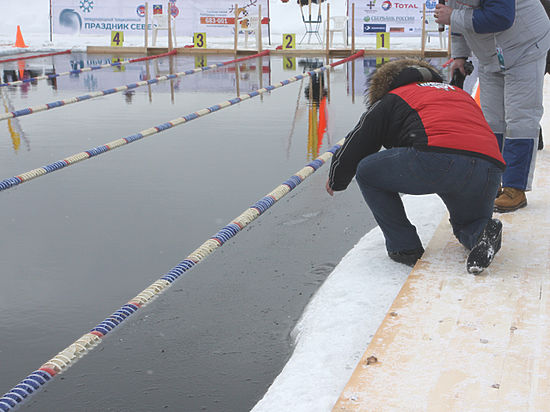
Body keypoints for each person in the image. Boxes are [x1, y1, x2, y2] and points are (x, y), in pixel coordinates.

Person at [326, 59, 505, 274]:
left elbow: (361, 139)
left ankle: (404, 247)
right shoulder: (458, 94)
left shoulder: (395, 96)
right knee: (466, 226)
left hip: (439, 160)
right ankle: (482, 232)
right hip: (489, 167)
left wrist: (337, 178)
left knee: (366, 171)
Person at [435, 0, 550, 212]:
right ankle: (491, 181)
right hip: (490, 54)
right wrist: (459, 55)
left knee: (520, 119)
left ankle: (515, 188)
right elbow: (455, 15)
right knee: (491, 121)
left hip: (524, 45)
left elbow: (501, 17)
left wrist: (452, 17)